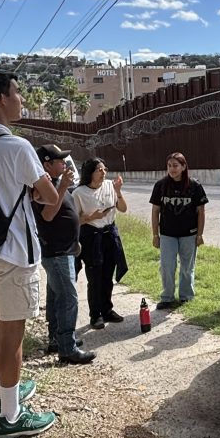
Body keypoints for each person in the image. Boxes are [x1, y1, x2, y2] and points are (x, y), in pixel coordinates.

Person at [0, 69, 59, 438]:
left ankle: (4, 394)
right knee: (14, 335)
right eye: (17, 92)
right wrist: (36, 193)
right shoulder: (16, 146)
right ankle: (11, 415)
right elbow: (50, 196)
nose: (21, 99)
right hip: (15, 252)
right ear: (1, 98)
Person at [32, 144, 95, 365]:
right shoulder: (41, 186)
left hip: (65, 249)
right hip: (56, 251)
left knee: (57, 297)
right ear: (46, 164)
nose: (64, 163)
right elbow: (48, 215)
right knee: (68, 298)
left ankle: (57, 340)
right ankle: (67, 348)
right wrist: (63, 187)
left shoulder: (55, 183)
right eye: (59, 160)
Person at [75, 157, 129, 329]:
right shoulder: (79, 193)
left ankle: (107, 310)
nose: (103, 173)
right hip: (91, 236)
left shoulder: (109, 186)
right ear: (90, 172)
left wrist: (118, 191)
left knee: (107, 276)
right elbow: (74, 220)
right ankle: (95, 314)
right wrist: (91, 217)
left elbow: (123, 208)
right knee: (95, 277)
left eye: (105, 169)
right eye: (99, 170)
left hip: (109, 234)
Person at [150, 152, 207, 309]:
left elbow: (201, 212)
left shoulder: (194, 186)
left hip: (189, 234)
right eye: (169, 166)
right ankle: (167, 297)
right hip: (167, 234)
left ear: (183, 167)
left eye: (175, 165)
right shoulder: (160, 185)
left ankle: (186, 296)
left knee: (187, 266)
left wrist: (200, 234)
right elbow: (155, 211)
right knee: (167, 266)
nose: (172, 169)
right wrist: (155, 235)